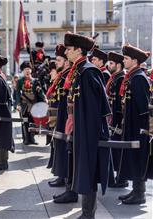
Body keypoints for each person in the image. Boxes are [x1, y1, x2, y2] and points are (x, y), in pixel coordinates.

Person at [63, 32, 111, 219]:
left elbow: (94, 109)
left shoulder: (88, 71)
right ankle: (86, 213)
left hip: (89, 132)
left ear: (78, 50)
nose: (66, 52)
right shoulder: (79, 70)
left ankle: (88, 214)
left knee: (88, 171)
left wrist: (86, 134)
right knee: (83, 171)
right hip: (81, 130)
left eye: (68, 49)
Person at [116, 44, 152, 205]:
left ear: (135, 61)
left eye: (126, 58)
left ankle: (140, 193)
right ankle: (135, 190)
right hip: (132, 125)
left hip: (139, 128)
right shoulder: (133, 76)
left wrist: (143, 129)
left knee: (138, 159)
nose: (123, 61)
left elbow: (144, 108)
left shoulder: (138, 78)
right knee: (133, 158)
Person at [47, 44, 78, 203]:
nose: (56, 63)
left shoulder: (68, 75)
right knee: (59, 148)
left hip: (65, 118)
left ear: (66, 62)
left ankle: (66, 181)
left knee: (65, 150)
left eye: (59, 60)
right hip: (59, 117)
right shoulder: (63, 75)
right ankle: (62, 176)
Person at [105, 51, 129, 188]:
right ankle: (119, 176)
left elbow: (120, 103)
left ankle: (122, 178)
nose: (109, 65)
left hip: (118, 120)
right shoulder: (115, 77)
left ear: (118, 65)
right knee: (115, 149)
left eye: (112, 63)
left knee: (119, 150)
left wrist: (118, 122)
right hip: (113, 118)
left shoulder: (121, 78)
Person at [16, 61, 46, 145]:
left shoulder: (35, 81)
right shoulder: (20, 81)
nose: (27, 71)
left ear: (31, 70)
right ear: (23, 71)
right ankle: (26, 139)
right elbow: (17, 93)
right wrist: (18, 104)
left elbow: (40, 91)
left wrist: (44, 98)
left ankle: (32, 139)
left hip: (34, 105)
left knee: (33, 122)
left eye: (29, 69)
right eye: (25, 69)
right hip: (24, 105)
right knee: (25, 122)